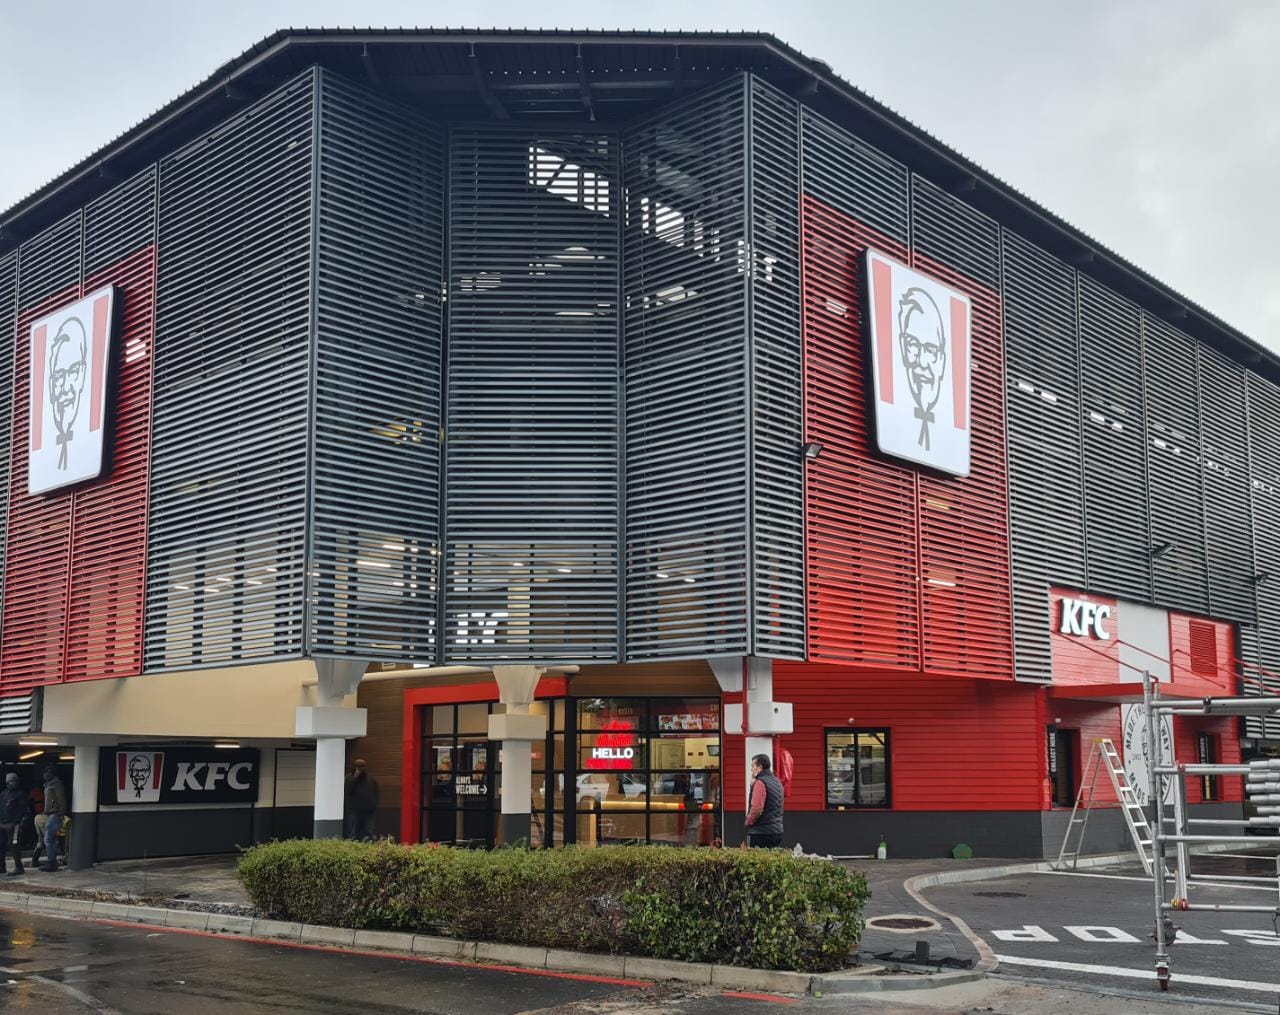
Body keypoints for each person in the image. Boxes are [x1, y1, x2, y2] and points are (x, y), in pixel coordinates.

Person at [745, 753, 784, 848]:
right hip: (777, 831)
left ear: (760, 768)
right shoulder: (777, 781)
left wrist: (748, 821)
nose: (751, 769)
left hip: (761, 832)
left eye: (753, 766)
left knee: (756, 857)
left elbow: (757, 808)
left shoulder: (760, 783)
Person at [37, 767, 67, 873]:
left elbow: (61, 799)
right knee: (50, 839)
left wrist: (61, 813)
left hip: (55, 814)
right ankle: (52, 862)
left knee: (48, 839)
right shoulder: (48, 784)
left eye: (47, 773)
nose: (44, 775)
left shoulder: (56, 785)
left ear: (52, 774)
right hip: (50, 813)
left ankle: (51, 863)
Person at [0, 773, 28, 877]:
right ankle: (1, 866)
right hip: (2, 822)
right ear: (7, 782)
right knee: (1, 845)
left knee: (14, 845)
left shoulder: (21, 794)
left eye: (15, 781)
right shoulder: (3, 794)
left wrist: (16, 821)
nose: (14, 783)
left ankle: (19, 867)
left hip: (13, 823)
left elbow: (23, 809)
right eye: (12, 781)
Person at [344, 759, 378, 840]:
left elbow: (376, 791)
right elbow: (348, 790)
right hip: (354, 810)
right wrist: (354, 778)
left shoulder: (370, 779)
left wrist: (373, 804)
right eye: (358, 767)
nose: (360, 769)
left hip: (369, 811)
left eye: (362, 767)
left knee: (370, 833)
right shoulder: (349, 778)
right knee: (353, 833)